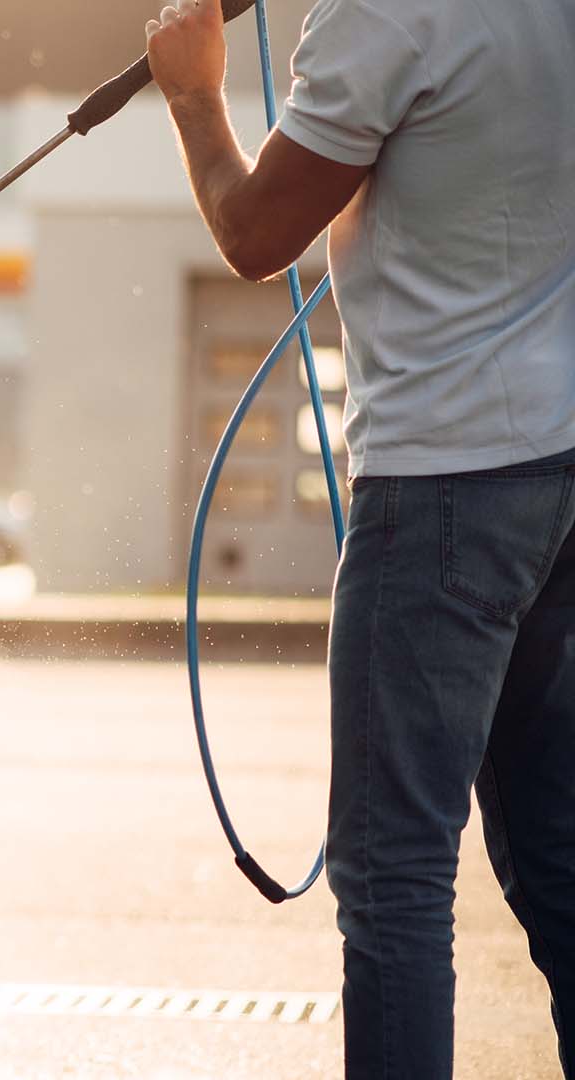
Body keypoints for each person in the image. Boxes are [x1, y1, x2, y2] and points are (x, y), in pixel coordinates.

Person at [145, 0, 575, 1075]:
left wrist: (194, 94)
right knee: (565, 859)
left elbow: (254, 233)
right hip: (561, 475)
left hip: (442, 487)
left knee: (392, 879)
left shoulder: (383, 11)